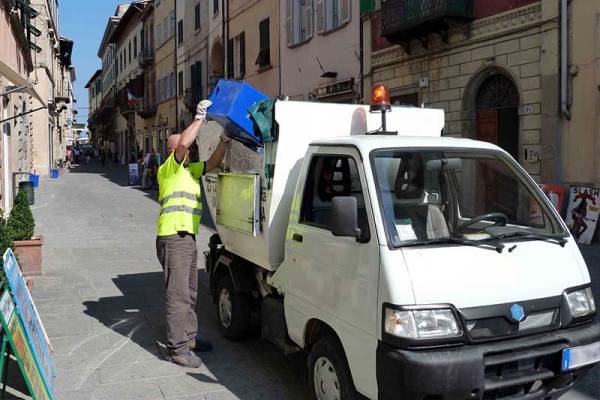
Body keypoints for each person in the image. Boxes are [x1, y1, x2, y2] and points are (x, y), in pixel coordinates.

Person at [155, 100, 229, 368]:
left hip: (186, 238)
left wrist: (224, 140)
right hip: (173, 237)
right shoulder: (170, 167)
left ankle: (190, 339)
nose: (192, 148)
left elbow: (213, 163)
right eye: (187, 145)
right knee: (178, 295)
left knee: (191, 292)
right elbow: (185, 142)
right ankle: (177, 348)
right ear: (175, 149)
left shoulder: (189, 169)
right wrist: (199, 117)